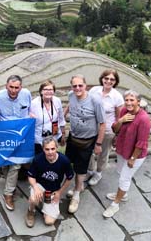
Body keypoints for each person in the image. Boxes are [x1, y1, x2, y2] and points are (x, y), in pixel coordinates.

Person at [103, 90, 151, 218]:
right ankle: (122, 194)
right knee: (120, 173)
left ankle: (115, 204)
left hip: (135, 155)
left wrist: (133, 158)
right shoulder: (124, 111)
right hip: (123, 150)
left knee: (125, 177)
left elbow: (142, 142)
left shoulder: (144, 119)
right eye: (127, 100)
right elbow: (115, 129)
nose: (128, 103)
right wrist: (121, 120)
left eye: (132, 100)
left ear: (138, 102)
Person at [62, 74, 105, 214]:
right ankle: (75, 187)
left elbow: (102, 124)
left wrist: (98, 144)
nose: (77, 88)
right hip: (73, 137)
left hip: (87, 141)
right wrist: (64, 114)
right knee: (68, 163)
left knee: (81, 169)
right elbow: (70, 103)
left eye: (80, 85)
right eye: (74, 86)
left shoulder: (95, 101)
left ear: (86, 85)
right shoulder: (71, 95)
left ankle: (76, 193)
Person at [0, 75, 32, 211]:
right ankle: (10, 186)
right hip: (5, 136)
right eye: (11, 87)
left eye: (17, 87)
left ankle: (8, 193)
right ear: (6, 86)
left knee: (16, 164)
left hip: (22, 134)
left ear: (21, 87)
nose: (14, 90)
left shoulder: (26, 94)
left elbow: (29, 110)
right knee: (5, 163)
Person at [25, 137, 74, 228]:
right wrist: (35, 187)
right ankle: (31, 211)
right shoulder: (38, 159)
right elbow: (31, 176)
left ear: (57, 147)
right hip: (40, 186)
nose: (50, 152)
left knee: (49, 222)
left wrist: (60, 192)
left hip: (53, 190)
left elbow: (69, 178)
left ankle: (46, 206)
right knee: (33, 199)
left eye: (52, 149)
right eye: (47, 149)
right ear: (43, 149)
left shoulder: (64, 161)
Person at [87, 69, 124, 186]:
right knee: (90, 152)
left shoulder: (117, 97)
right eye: (106, 78)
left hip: (107, 131)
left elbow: (119, 118)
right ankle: (90, 170)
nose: (108, 81)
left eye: (112, 79)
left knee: (103, 154)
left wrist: (116, 134)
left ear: (115, 82)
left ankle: (98, 173)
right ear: (102, 79)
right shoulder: (94, 90)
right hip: (91, 128)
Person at [30, 80, 66, 155]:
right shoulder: (33, 104)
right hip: (39, 139)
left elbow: (61, 119)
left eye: (50, 90)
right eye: (45, 89)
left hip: (54, 137)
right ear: (41, 91)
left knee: (52, 158)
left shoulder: (57, 101)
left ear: (54, 91)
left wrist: (63, 135)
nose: (48, 92)